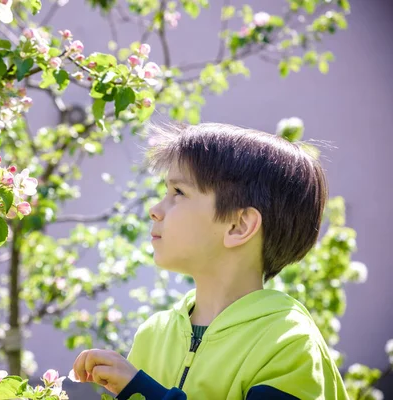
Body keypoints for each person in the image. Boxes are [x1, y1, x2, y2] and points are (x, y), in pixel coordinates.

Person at [71, 122, 348, 399]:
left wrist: (140, 391)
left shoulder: (288, 342)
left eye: (178, 192)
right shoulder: (152, 334)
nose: (155, 210)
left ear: (238, 226)